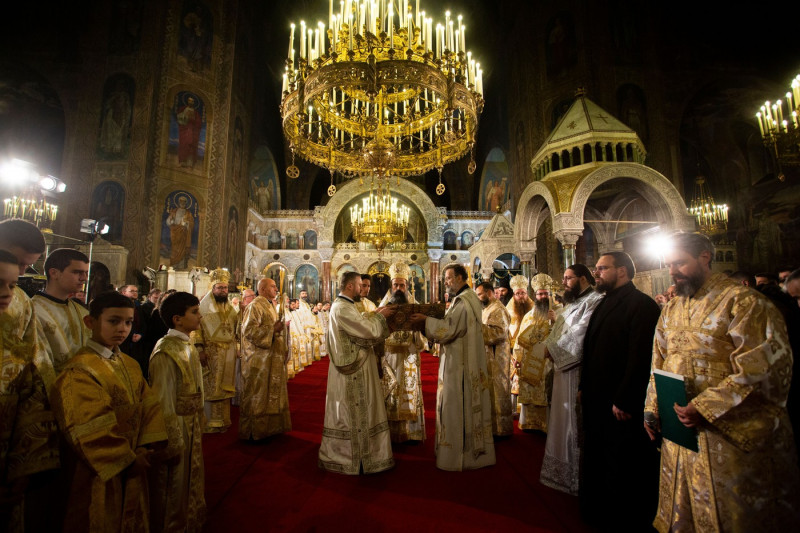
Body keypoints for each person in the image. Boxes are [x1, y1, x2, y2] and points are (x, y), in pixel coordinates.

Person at [645, 233, 800, 532]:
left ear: (705, 257)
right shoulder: (673, 308)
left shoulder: (744, 302)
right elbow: (659, 362)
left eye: (680, 263)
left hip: (726, 432)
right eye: (669, 265)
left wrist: (704, 407)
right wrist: (652, 407)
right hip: (682, 430)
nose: (673, 271)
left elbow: (764, 368)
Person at [50, 291, 167, 532]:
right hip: (98, 469)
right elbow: (87, 427)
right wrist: (127, 459)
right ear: (90, 322)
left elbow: (150, 406)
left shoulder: (130, 364)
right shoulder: (79, 371)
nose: (122, 329)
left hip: (136, 456)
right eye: (113, 321)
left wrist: (145, 447)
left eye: (128, 322)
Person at [579, 251, 661, 529]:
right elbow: (591, 349)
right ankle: (598, 510)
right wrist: (583, 387)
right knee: (599, 456)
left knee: (621, 462)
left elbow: (641, 357)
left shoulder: (642, 305)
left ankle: (622, 517)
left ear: (623, 270)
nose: (597, 273)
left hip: (619, 402)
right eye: (596, 268)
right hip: (598, 397)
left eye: (603, 268)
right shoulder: (605, 301)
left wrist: (625, 398)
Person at [411, 264, 495, 471]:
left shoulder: (464, 302)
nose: (445, 282)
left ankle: (459, 454)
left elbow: (448, 330)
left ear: (459, 278)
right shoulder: (465, 299)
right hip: (461, 359)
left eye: (448, 278)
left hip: (461, 367)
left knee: (455, 404)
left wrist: (425, 321)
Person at [0, 249, 59, 533]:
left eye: (12, 285)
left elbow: (32, 388)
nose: (8, 294)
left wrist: (23, 465)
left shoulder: (21, 309)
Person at [319, 271, 395, 474]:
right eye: (360, 285)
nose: (363, 288)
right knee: (354, 410)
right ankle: (353, 456)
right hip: (352, 371)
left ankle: (364, 455)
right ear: (350, 286)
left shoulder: (346, 306)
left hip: (358, 366)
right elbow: (367, 330)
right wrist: (380, 317)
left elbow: (360, 323)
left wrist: (373, 315)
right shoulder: (342, 308)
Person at [541, 264, 602, 496]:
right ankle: (561, 471)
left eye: (568, 278)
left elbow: (581, 332)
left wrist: (553, 350)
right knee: (560, 417)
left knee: (571, 422)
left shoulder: (595, 300)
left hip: (574, 369)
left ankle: (575, 475)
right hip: (561, 368)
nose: (564, 282)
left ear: (583, 278)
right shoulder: (574, 302)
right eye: (564, 277)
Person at [148, 291, 206, 533]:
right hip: (177, 428)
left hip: (191, 423)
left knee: (188, 480)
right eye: (194, 312)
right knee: (174, 483)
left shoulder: (185, 344)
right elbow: (162, 400)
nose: (199, 316)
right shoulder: (165, 351)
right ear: (177, 319)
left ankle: (188, 521)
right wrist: (171, 441)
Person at [377, 262, 427, 443]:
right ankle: (389, 432)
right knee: (389, 391)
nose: (399, 289)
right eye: (396, 285)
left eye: (402, 285)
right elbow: (375, 332)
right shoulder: (382, 307)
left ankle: (410, 432)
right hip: (389, 356)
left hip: (409, 356)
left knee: (409, 391)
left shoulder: (415, 306)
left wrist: (419, 325)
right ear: (391, 286)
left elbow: (423, 338)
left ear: (407, 286)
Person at [32, 248, 91, 392]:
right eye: (77, 272)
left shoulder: (81, 311)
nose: (84, 278)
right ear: (54, 273)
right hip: (51, 392)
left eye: (86, 273)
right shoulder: (32, 311)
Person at [239, 278, 291, 440]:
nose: (276, 289)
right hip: (258, 360)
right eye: (273, 286)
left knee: (270, 393)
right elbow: (248, 331)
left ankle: (271, 428)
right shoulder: (255, 305)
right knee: (258, 394)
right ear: (262, 289)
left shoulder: (269, 305)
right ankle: (255, 431)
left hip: (271, 358)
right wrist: (272, 329)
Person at [195, 268, 238, 433]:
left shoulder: (229, 308)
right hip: (210, 353)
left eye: (225, 288)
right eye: (220, 288)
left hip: (227, 353)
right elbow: (196, 329)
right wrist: (199, 349)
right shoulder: (202, 308)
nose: (223, 291)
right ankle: (209, 421)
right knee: (211, 387)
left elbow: (235, 327)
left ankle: (223, 420)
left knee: (224, 387)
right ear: (212, 289)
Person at [515, 274, 554, 433]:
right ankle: (530, 423)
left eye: (545, 293)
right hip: (530, 360)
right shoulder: (529, 315)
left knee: (546, 393)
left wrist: (555, 320)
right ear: (535, 296)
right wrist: (517, 358)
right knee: (531, 392)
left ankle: (547, 425)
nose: (543, 297)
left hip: (548, 361)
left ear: (550, 294)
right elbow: (520, 339)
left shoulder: (558, 311)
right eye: (540, 294)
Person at [475, 281, 513, 437]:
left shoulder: (498, 309)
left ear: (489, 293)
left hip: (497, 357)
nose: (478, 298)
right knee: (489, 391)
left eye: (479, 294)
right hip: (489, 356)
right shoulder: (488, 308)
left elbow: (498, 333)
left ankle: (500, 429)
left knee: (498, 391)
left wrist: (475, 326)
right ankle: (491, 427)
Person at [506, 274, 532, 414]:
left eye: (523, 293)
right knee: (514, 382)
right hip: (512, 352)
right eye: (518, 293)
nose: (521, 296)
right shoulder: (508, 311)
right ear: (513, 294)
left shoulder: (534, 309)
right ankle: (514, 409)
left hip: (530, 351)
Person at [118, 284, 148, 377]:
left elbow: (143, 323)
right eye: (132, 291)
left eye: (136, 291)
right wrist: (131, 335)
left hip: (136, 343)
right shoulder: (118, 306)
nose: (135, 293)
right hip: (123, 341)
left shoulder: (139, 307)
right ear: (124, 292)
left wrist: (140, 334)